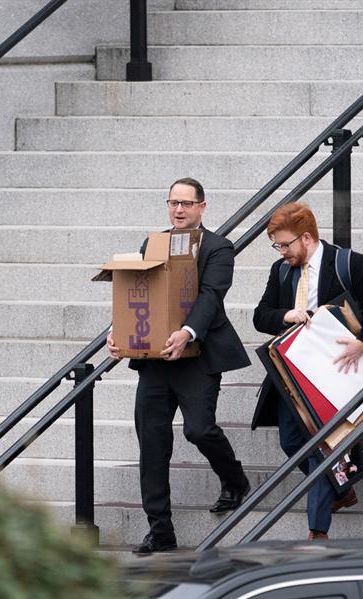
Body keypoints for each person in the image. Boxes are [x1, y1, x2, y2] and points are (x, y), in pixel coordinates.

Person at [107, 177, 251, 555]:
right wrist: (120, 332)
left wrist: (187, 333)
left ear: (202, 206)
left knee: (199, 430)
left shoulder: (219, 247)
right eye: (173, 202)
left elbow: (211, 296)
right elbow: (139, 293)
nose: (179, 209)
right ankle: (160, 531)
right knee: (152, 445)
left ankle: (235, 479)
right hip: (156, 361)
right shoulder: (153, 244)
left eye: (187, 203)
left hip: (198, 356)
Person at [251, 202, 363, 540]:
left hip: (338, 372)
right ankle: (339, 488)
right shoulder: (281, 271)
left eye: (285, 245)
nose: (281, 252)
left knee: (322, 447)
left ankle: (317, 533)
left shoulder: (348, 263)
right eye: (277, 246)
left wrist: (362, 342)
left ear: (306, 238)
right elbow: (260, 316)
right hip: (295, 376)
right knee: (291, 441)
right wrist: (286, 315)